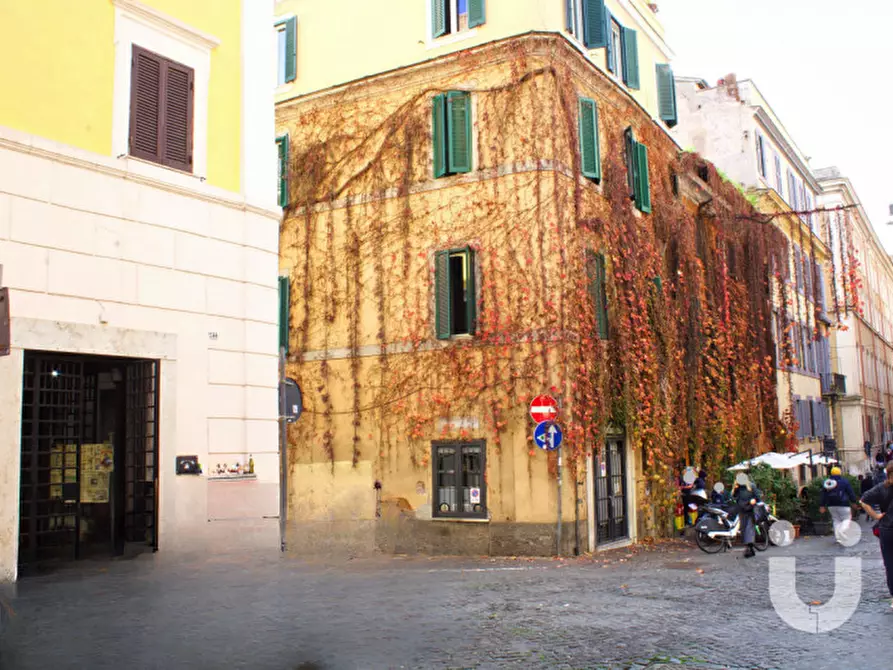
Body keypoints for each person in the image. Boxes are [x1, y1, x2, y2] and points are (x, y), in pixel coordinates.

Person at [860, 461, 893, 609]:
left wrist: (876, 516)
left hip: (887, 530)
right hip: (887, 530)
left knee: (890, 565)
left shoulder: (882, 488)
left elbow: (863, 501)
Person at [820, 466, 857, 544]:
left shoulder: (827, 482)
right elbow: (850, 492)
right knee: (847, 519)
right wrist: (854, 502)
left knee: (836, 520)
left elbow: (823, 495)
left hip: (831, 505)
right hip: (843, 504)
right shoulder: (844, 481)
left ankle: (838, 538)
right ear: (840, 473)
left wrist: (822, 505)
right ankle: (841, 531)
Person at [732, 475, 761, 558]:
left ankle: (749, 548)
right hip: (742, 510)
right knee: (745, 529)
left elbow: (757, 497)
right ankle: (749, 548)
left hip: (750, 510)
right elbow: (734, 497)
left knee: (748, 529)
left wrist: (753, 501)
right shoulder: (738, 488)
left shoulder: (751, 486)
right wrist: (735, 489)